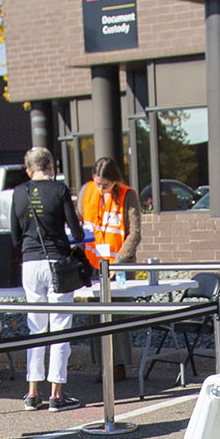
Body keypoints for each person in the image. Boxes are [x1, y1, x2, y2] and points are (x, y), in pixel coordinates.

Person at [10, 147, 86, 411]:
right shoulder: (60, 189)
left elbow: (14, 236)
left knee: (36, 327)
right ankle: (56, 394)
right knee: (60, 326)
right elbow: (76, 232)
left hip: (30, 263)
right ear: (50, 165)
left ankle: (32, 392)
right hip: (57, 262)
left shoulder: (19, 192)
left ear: (29, 169)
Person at [79, 157, 140, 377]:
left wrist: (120, 260)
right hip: (94, 263)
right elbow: (79, 221)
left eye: (105, 184)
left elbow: (135, 232)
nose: (100, 188)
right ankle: (103, 364)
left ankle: (120, 365)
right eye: (98, 183)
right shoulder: (87, 191)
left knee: (119, 314)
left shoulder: (127, 195)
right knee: (96, 313)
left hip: (119, 265)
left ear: (114, 181)